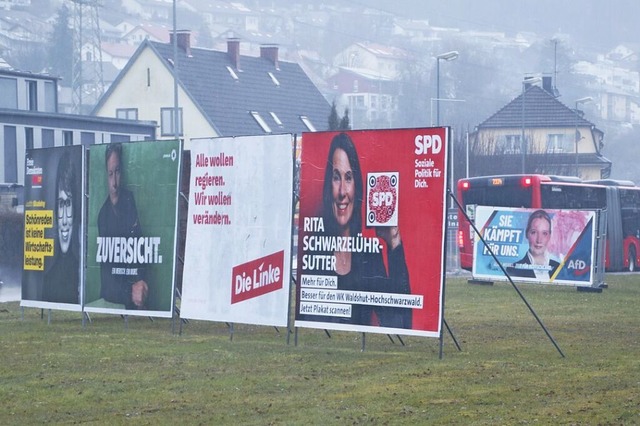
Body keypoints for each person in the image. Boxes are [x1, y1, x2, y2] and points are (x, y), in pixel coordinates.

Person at [311, 132, 412, 327]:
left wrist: (394, 242)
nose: (342, 192)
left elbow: (399, 323)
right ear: (327, 184)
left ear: (357, 187)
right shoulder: (314, 251)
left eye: (348, 178)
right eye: (336, 177)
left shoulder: (369, 255)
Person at [97, 143, 148, 309]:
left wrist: (141, 280)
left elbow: (139, 246)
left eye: (117, 172)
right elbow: (107, 282)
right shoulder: (103, 215)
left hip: (137, 292)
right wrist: (130, 291)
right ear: (105, 175)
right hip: (117, 296)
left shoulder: (129, 200)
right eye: (110, 174)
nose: (114, 183)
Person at [43, 151, 80, 304]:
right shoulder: (49, 278)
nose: (64, 220)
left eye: (68, 203)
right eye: (60, 204)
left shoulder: (82, 273)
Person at [507, 209, 560, 280]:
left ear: (549, 236)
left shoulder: (559, 269)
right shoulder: (513, 269)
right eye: (534, 232)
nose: (539, 240)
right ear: (527, 234)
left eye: (544, 233)